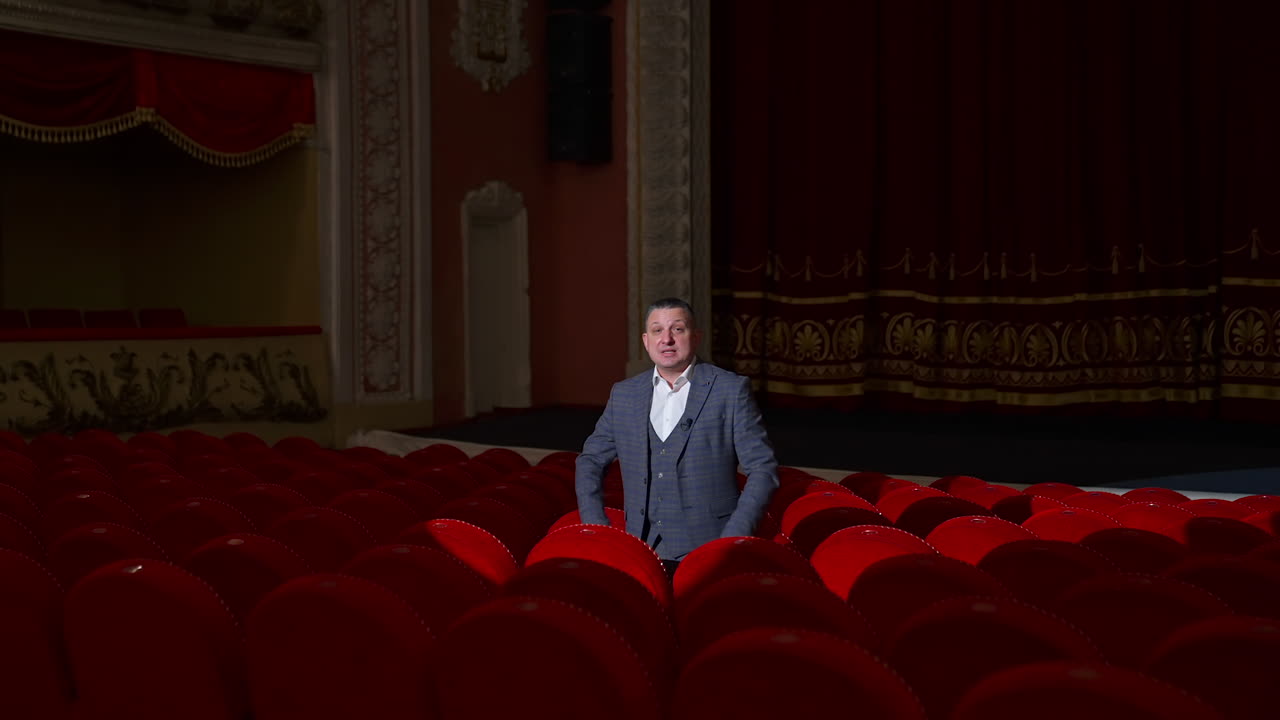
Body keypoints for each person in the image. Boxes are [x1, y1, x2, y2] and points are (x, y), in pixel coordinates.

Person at [575, 297, 779, 575]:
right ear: (646, 341)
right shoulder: (624, 394)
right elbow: (590, 461)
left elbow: (763, 469)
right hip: (641, 550)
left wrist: (734, 536)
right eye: (657, 330)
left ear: (695, 337)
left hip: (711, 550)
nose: (666, 339)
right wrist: (597, 526)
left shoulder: (730, 390)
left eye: (677, 329)